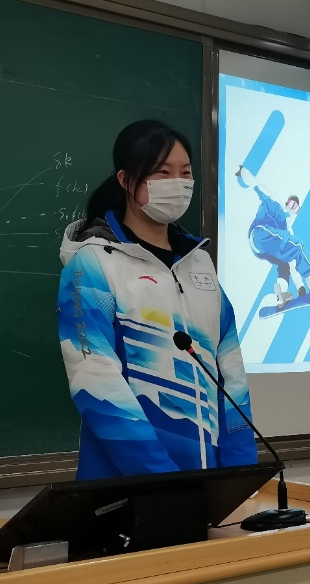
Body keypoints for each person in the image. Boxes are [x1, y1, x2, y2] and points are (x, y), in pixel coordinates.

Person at [57, 120, 258, 480]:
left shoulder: (200, 263)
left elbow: (231, 374)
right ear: (126, 180)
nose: (177, 183)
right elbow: (95, 381)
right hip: (130, 486)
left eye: (185, 173)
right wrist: (163, 480)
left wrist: (240, 475)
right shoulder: (94, 263)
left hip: (208, 483)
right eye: (162, 172)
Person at [236, 165, 310, 308]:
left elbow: (293, 262)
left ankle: (282, 294)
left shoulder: (288, 230)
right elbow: (259, 186)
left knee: (285, 261)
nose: (292, 208)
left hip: (260, 247)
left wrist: (300, 287)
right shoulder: (277, 203)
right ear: (287, 202)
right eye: (291, 203)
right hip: (260, 232)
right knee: (298, 246)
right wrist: (243, 172)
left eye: (295, 207)